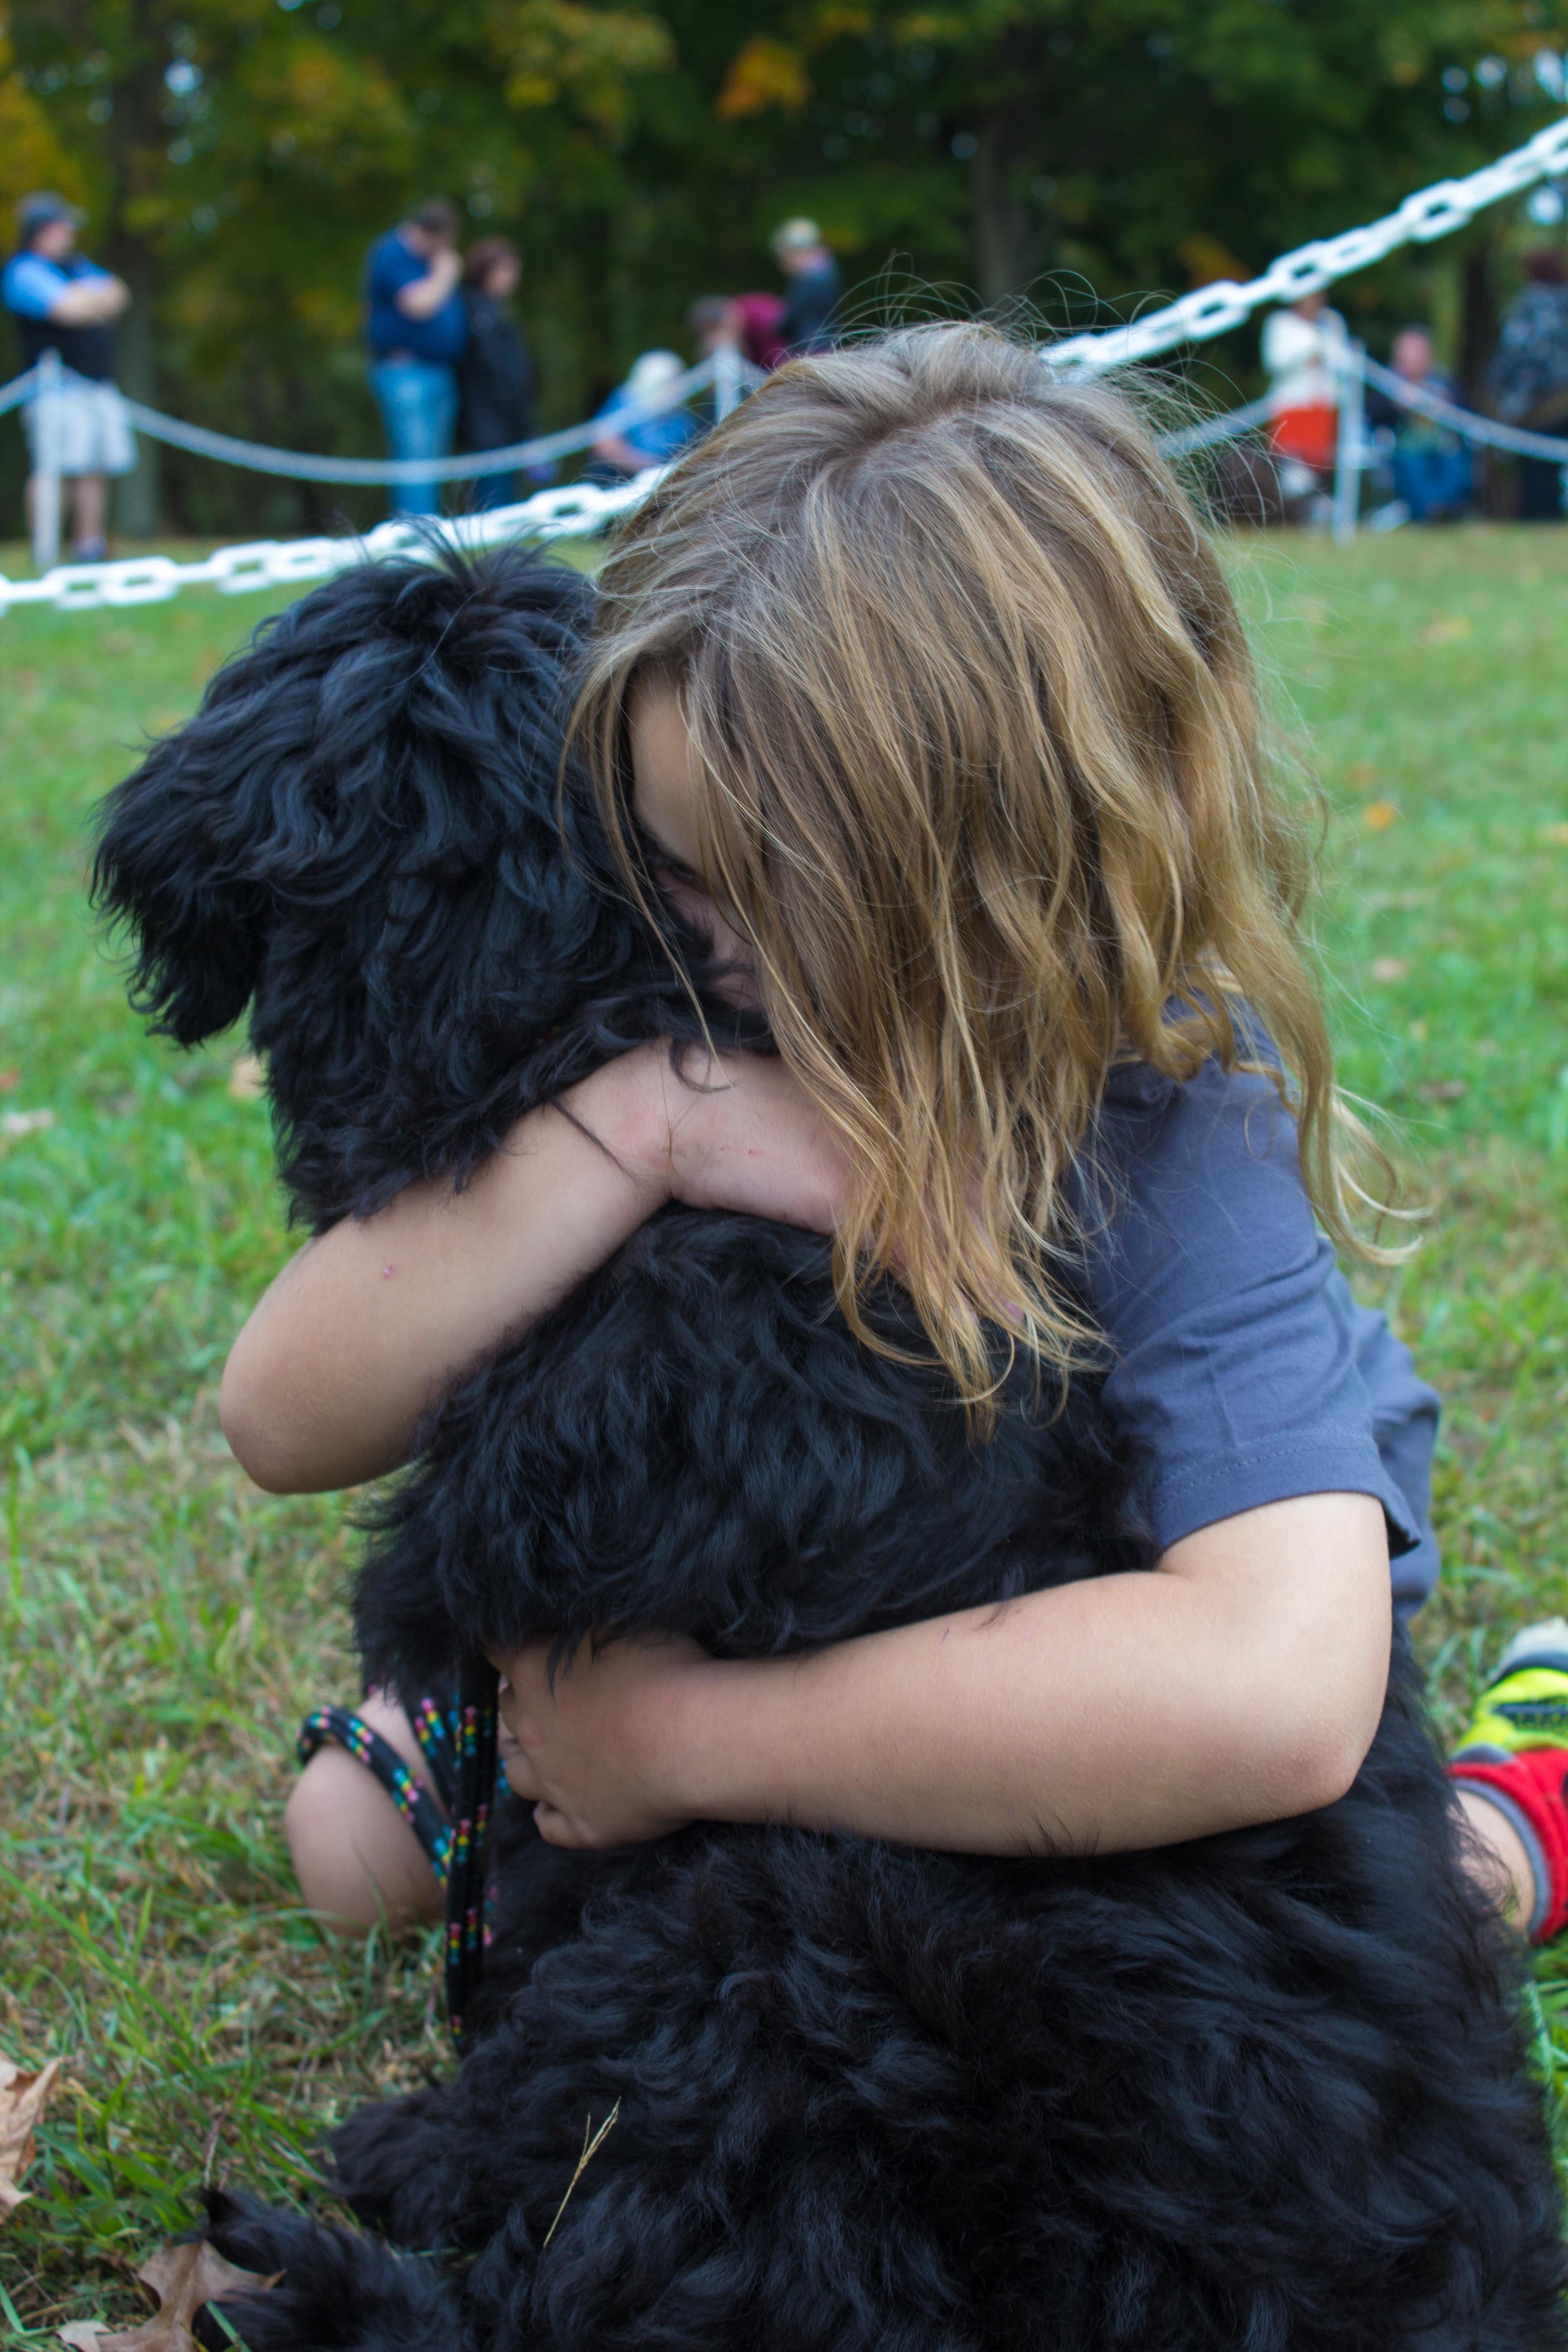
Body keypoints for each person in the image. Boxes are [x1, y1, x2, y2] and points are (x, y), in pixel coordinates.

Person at [213, 324, 1568, 1961]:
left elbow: (1272, 1690)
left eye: (751, 893)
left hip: (1092, 1630)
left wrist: (686, 1741)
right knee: (353, 1846)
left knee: (1392, 1899)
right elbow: (281, 1414)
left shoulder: (1153, 1103)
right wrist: (644, 1126)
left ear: (994, 889)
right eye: (660, 863)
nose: (690, 949)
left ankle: (1523, 1792)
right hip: (792, 1583)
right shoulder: (683, 1032)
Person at [1, 192, 134, 561]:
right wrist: (93, 303)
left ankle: (88, 547)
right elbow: (66, 310)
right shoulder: (23, 269)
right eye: (63, 226)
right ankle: (46, 549)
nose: (70, 233)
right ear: (42, 231)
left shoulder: (77, 265)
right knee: (53, 466)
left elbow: (120, 294)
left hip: (96, 383)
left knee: (93, 467)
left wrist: (86, 300)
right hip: (54, 390)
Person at [364, 199, 467, 520]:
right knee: (416, 456)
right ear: (431, 233)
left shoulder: (428, 260)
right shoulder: (393, 253)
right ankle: (416, 529)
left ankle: (426, 525)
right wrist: (446, 273)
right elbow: (419, 304)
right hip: (405, 371)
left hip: (439, 370)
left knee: (432, 459)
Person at [1488, 248, 1568, 522]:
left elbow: (1518, 354)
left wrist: (1506, 398)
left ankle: (1543, 518)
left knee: (1537, 468)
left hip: (1540, 406)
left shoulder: (1531, 304)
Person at [456, 236, 534, 511]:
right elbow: (493, 370)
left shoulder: (496, 312)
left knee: (507, 494)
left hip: (506, 422)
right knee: (492, 497)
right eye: (506, 269)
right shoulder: (476, 312)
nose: (513, 277)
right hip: (488, 423)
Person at [1365, 326, 1471, 523]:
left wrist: (1446, 404)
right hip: (1406, 449)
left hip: (1443, 446)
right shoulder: (1387, 383)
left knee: (1454, 465)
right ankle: (1431, 512)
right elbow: (1373, 416)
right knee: (1413, 467)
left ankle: (1447, 509)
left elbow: (1466, 415)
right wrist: (1396, 404)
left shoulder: (1443, 381)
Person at [1261, 289, 1347, 511]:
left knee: (1321, 463)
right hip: (1293, 405)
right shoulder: (1280, 323)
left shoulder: (1331, 321)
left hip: (1324, 404)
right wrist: (1312, 347)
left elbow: (1343, 361)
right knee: (1294, 465)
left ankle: (1317, 508)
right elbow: (1276, 362)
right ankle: (1296, 510)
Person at [586, 349, 700, 482]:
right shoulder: (625, 399)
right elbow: (604, 445)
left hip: (666, 478)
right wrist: (645, 466)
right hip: (623, 480)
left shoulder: (682, 417)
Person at [771, 216, 841, 356]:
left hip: (808, 347)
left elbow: (791, 319)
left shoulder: (810, 278)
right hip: (826, 344)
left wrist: (774, 327)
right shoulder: (828, 271)